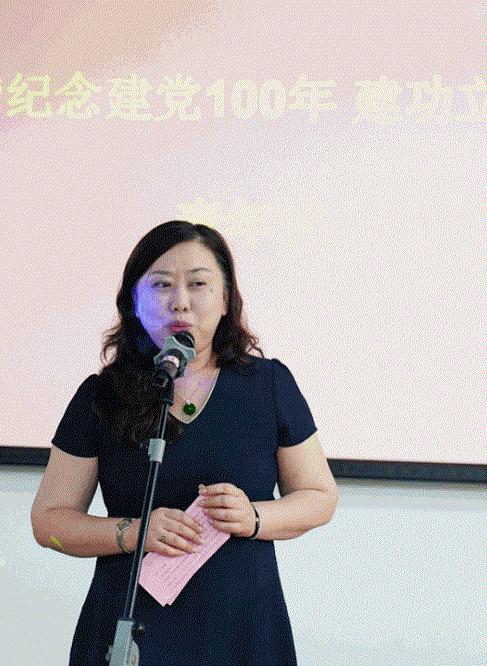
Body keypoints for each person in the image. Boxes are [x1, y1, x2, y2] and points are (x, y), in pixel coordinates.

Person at [31, 220, 338, 666]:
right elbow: (48, 523)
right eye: (161, 285)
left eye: (198, 284)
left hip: (242, 630)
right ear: (132, 302)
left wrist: (254, 517)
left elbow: (319, 497)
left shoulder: (268, 385)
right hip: (133, 631)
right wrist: (133, 532)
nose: (180, 301)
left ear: (226, 299)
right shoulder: (101, 396)